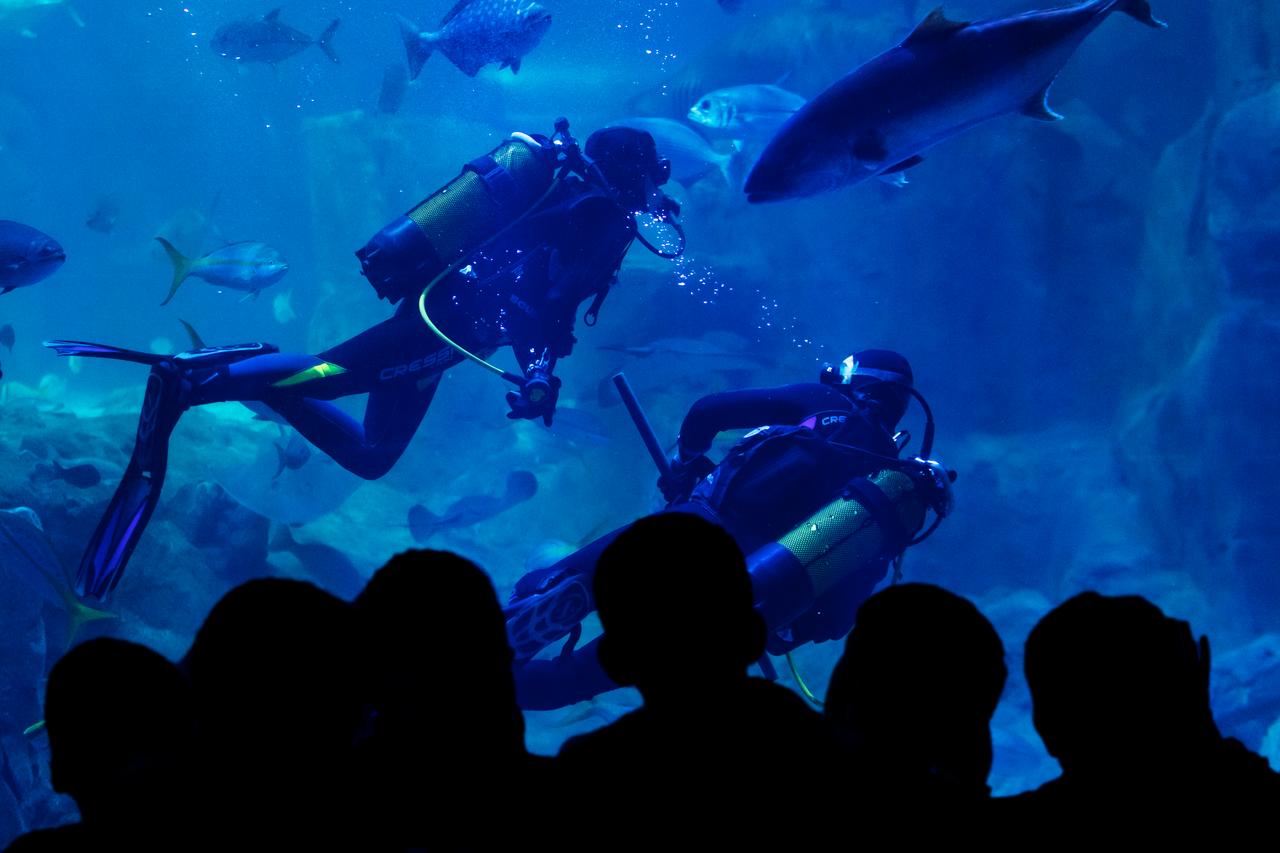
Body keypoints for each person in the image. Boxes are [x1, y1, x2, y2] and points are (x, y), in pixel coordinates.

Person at [47, 121, 681, 599]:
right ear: (632, 175)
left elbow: (528, 298)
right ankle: (195, 378)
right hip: (445, 329)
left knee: (374, 452)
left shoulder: (576, 205)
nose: (655, 192)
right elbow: (527, 302)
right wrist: (540, 370)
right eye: (652, 176)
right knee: (330, 375)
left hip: (447, 331)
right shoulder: (592, 217)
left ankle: (258, 371)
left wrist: (538, 367)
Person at [507, 349, 954, 709]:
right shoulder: (888, 492)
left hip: (697, 529)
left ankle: (556, 591)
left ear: (854, 378)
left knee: (562, 579)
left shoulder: (828, 405)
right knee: (568, 683)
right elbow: (838, 615)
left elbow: (707, 412)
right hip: (736, 600)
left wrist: (685, 466)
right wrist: (782, 629)